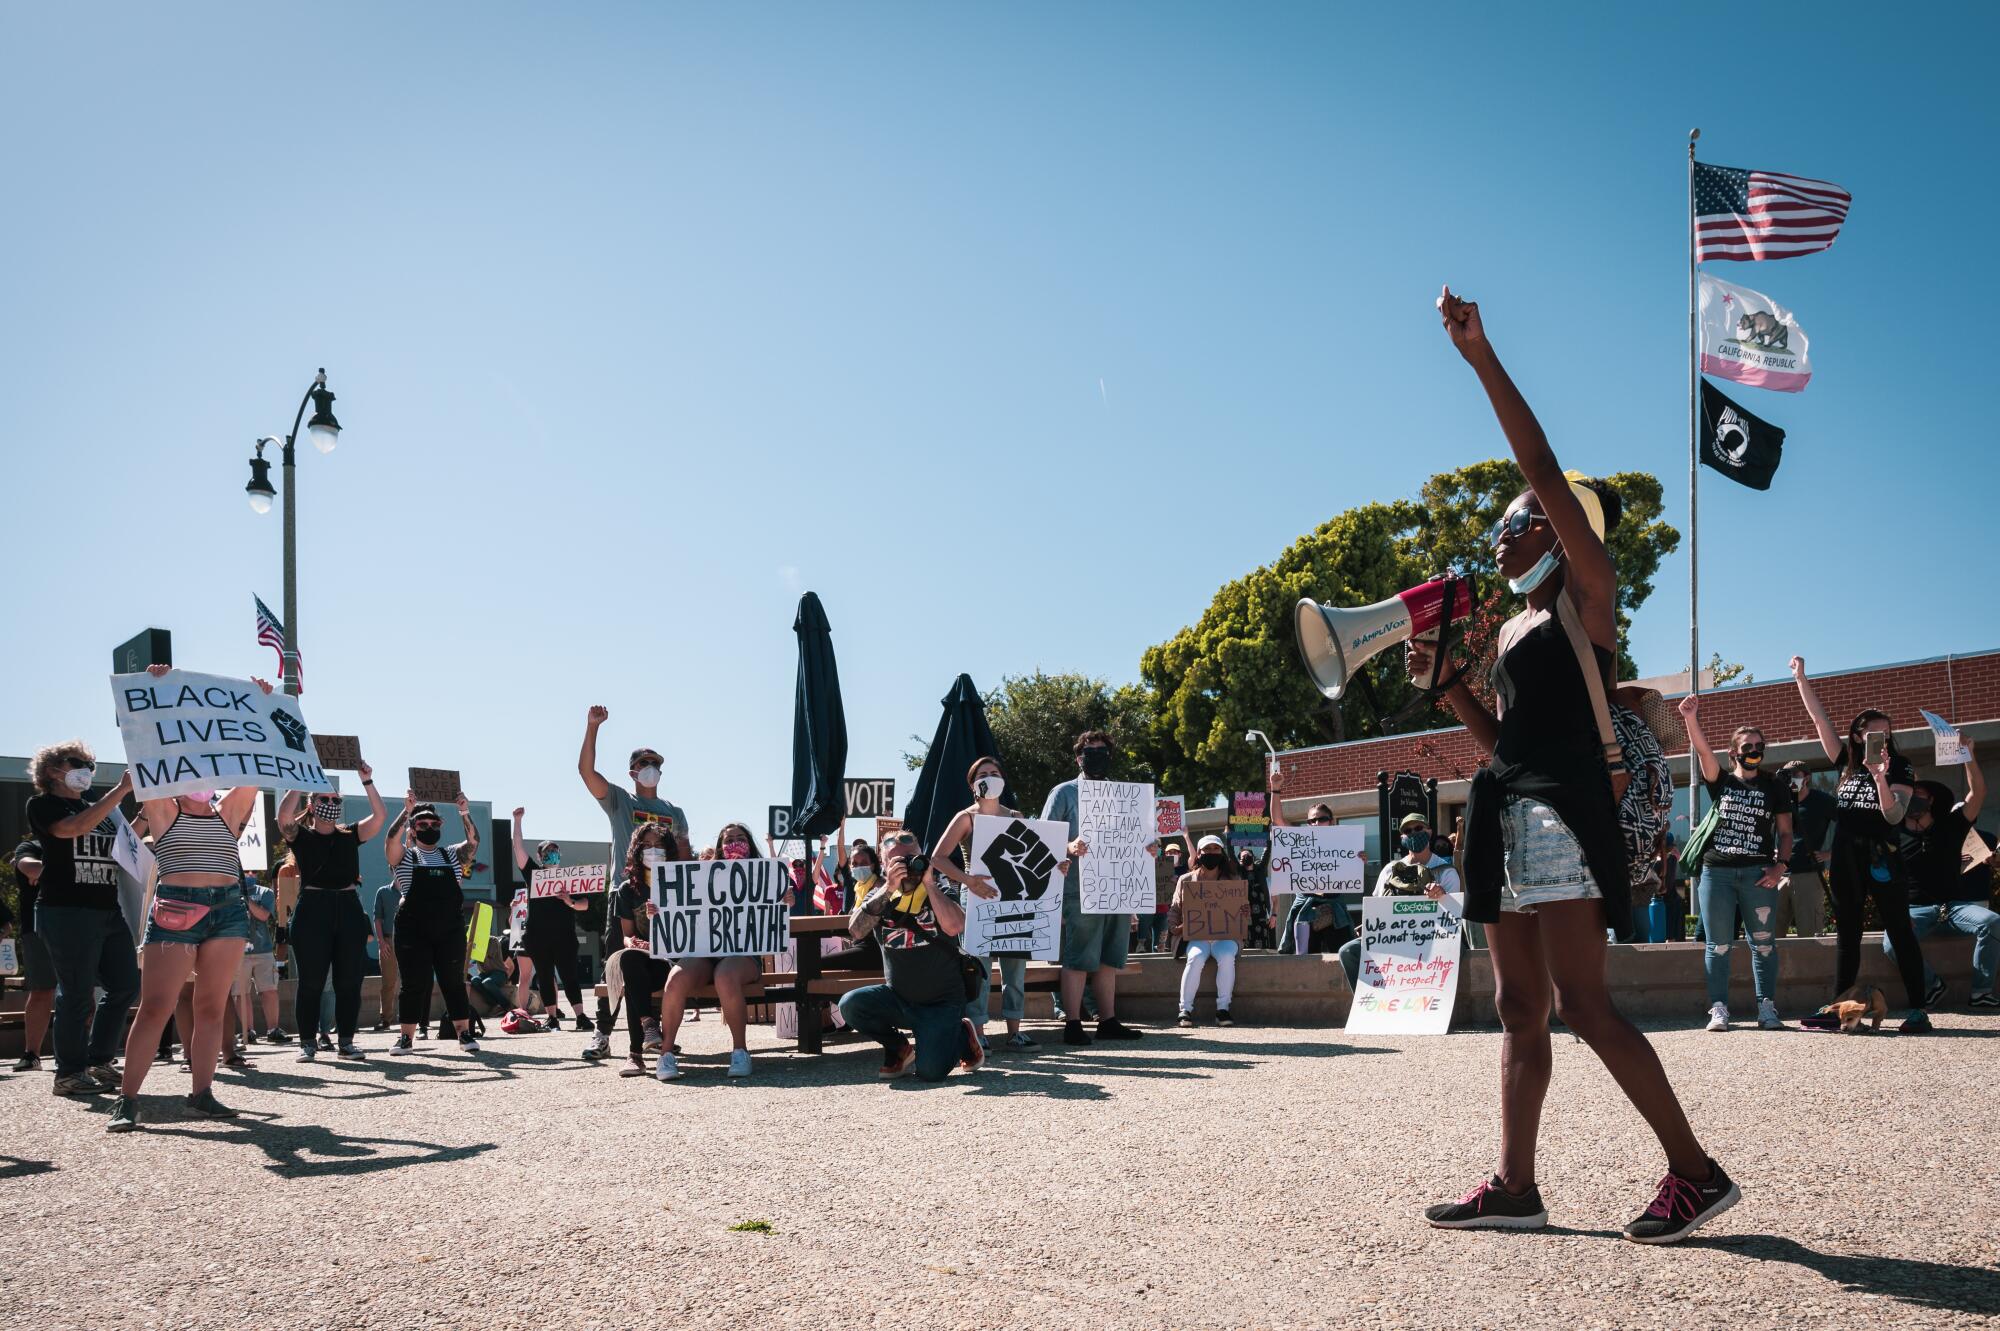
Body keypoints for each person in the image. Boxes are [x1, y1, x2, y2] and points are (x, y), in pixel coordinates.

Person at [1414, 289, 1733, 1243]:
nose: (1503, 533)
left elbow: (1541, 463)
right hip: (1514, 809)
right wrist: (1452, 692)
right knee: (1520, 1005)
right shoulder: (1516, 625)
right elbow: (1509, 748)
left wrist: (1481, 359)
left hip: (1560, 819)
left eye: (1517, 520)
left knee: (1583, 1002)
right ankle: (1516, 1185)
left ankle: (1696, 1169)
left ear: (1560, 528)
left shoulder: (1590, 597)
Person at [107, 674, 278, 1131]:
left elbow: (257, 762)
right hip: (176, 907)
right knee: (156, 1004)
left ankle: (202, 1093)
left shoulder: (230, 814)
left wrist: (257, 705)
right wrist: (155, 691)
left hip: (228, 908)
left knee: (210, 1006)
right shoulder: (165, 809)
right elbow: (144, 748)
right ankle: (128, 1098)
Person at [1791, 657, 1931, 1032]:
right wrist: (1801, 678)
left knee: (1900, 929)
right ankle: (1839, 1006)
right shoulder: (1844, 763)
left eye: (1886, 734)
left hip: (1883, 853)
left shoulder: (1899, 766)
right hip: (1846, 855)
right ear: (1858, 736)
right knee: (1847, 932)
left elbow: (1895, 817)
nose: (1881, 740)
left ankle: (1918, 1009)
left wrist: (1881, 778)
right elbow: (1820, 720)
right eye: (1874, 735)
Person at [28, 742, 144, 1100]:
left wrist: (145, 813)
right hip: (66, 911)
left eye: (91, 764)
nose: (87, 769)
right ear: (52, 770)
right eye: (78, 763)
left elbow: (124, 843)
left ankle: (98, 1060)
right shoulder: (43, 805)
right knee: (77, 994)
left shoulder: (95, 805)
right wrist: (120, 791)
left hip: (107, 911)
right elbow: (71, 830)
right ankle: (69, 1073)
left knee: (125, 985)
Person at [577, 706, 691, 1060]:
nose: (650, 769)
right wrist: (592, 727)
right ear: (633, 772)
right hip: (625, 894)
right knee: (618, 963)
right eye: (643, 764)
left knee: (658, 964)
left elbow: (685, 858)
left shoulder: (675, 811)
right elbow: (585, 771)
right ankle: (603, 1033)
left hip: (667, 899)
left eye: (654, 763)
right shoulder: (620, 801)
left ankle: (654, 1033)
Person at [1678, 699, 1793, 1032]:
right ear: (1734, 753)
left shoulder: (1775, 786)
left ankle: (1767, 1008)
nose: (1753, 751)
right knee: (1718, 944)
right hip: (1717, 874)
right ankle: (1718, 1009)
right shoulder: (1722, 781)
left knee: (1764, 943)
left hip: (1759, 876)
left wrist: (1780, 867)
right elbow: (1703, 754)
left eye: (1758, 746)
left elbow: (1786, 832)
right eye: (1747, 747)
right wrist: (1691, 718)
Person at [838, 830, 985, 1082]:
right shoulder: (879, 894)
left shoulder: (939, 886)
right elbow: (856, 930)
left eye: (911, 858)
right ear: (883, 865)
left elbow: (954, 926)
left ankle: (960, 1033)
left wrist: (928, 883)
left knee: (930, 1072)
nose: (907, 866)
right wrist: (888, 888)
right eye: (897, 862)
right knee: (851, 1004)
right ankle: (898, 1047)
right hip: (900, 999)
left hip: (942, 1001)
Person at [1042, 730, 1151, 1046]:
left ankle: (1108, 1021)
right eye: (1091, 752)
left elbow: (1136, 838)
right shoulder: (1063, 793)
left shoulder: (1123, 795)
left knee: (1109, 958)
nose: (1097, 756)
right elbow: (1043, 838)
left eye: (1103, 751)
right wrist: (1068, 845)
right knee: (1077, 957)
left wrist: (1149, 849)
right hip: (1079, 889)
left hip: (1117, 887)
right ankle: (1073, 1023)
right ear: (1079, 757)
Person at [277, 766, 386, 1060]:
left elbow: (379, 817)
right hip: (312, 910)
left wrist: (367, 781)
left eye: (336, 800)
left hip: (349, 909)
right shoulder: (301, 837)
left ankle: (346, 1042)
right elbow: (284, 817)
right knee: (311, 981)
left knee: (349, 980)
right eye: (324, 799)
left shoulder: (351, 834)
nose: (331, 805)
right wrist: (299, 783)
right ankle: (308, 1043)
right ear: (312, 805)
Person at [928, 757, 1036, 1051]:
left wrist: (1057, 868)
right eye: (983, 774)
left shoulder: (1016, 815)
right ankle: (978, 1033)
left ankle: (1016, 1032)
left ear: (1003, 778)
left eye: (994, 772)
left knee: (1015, 967)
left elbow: (1031, 859)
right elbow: (937, 858)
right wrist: (968, 880)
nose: (989, 776)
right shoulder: (966, 817)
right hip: (977, 899)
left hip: (1014, 898)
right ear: (973, 784)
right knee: (979, 968)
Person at [652, 823, 772, 1081]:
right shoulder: (702, 876)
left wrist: (784, 901)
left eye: (741, 838)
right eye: (729, 840)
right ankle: (666, 1053)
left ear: (750, 844)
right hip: (705, 952)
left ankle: (740, 1051)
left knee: (725, 976)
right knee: (675, 979)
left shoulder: (765, 876)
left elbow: (771, 914)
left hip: (742, 954)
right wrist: (661, 909)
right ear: (720, 847)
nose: (735, 843)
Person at [1889, 743, 1995, 1007]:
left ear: (1932, 800)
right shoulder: (1894, 832)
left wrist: (1968, 754)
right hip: (1915, 911)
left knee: (1992, 922)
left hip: (1955, 907)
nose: (1914, 799)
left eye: (1920, 794)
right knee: (1892, 943)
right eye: (1910, 794)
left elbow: (1978, 793)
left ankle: (1981, 992)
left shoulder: (1952, 824)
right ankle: (1933, 985)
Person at [383, 792, 483, 1056]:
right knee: (413, 983)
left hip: (448, 928)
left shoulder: (451, 855)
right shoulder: (404, 857)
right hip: (412, 929)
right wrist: (406, 811)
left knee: (453, 981)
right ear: (413, 829)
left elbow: (474, 842)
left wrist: (464, 811)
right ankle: (406, 1038)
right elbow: (390, 840)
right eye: (423, 824)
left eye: (434, 824)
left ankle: (464, 1033)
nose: (429, 828)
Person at [1338, 813, 1463, 987]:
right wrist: (1369, 927)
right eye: (1408, 831)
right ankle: (1372, 1003)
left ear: (1429, 831)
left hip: (1431, 941)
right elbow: (1377, 907)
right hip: (1391, 940)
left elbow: (1453, 917)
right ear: (1402, 838)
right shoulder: (1389, 870)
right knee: (1348, 951)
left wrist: (1441, 896)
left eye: (1418, 828)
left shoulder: (1446, 871)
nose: (1413, 833)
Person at [510, 809, 592, 1030]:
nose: (551, 855)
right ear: (539, 856)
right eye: (547, 852)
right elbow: (518, 847)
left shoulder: (570, 879)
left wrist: (569, 901)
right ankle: (552, 1018)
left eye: (554, 851)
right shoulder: (533, 873)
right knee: (545, 976)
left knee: (570, 976)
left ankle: (581, 1017)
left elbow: (585, 904)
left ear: (560, 854)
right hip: (538, 937)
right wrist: (517, 821)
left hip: (564, 936)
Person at [604, 821, 674, 1077]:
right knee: (630, 961)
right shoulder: (627, 890)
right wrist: (633, 943)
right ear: (636, 850)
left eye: (659, 845)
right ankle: (649, 1026)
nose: (653, 850)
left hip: (674, 962)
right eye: (646, 845)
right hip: (644, 961)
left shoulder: (681, 882)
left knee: (634, 982)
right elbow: (627, 936)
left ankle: (635, 1053)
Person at [1169, 835, 1250, 1025]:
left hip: (1226, 937)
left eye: (1216, 849)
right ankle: (1185, 1010)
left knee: (1227, 957)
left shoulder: (1233, 881)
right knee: (1195, 958)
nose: (1211, 853)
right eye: (1207, 849)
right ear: (1198, 853)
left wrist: (1244, 911)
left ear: (1221, 853)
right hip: (1197, 937)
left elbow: (1243, 913)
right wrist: (1175, 928)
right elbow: (1174, 908)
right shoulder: (1186, 880)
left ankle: (1223, 1010)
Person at [1274, 792, 1353, 955]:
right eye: (1311, 820)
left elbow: (1351, 869)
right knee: (1304, 960)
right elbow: (1278, 820)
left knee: (1343, 957)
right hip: (1305, 911)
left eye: (1321, 819)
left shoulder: (1343, 843)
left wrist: (1359, 858)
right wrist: (1275, 789)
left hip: (1334, 911)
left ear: (1330, 821)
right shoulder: (1300, 841)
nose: (1316, 823)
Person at [6, 838, 57, 1071]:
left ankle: (83, 1051)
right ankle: (31, 1053)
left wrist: (46, 873)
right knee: (40, 990)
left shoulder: (79, 845)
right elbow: (30, 866)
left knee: (81, 990)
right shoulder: (29, 847)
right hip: (36, 929)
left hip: (79, 925)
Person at [1775, 761, 1833, 938]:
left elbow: (1850, 829)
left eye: (1795, 775)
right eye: (1786, 775)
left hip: (1808, 875)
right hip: (1778, 875)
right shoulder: (1780, 802)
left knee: (1810, 936)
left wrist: (1829, 853)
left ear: (1807, 778)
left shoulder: (1822, 801)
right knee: (1771, 938)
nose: (1790, 779)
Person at [234, 873, 282, 1044]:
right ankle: (248, 1031)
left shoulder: (265, 892)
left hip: (263, 950)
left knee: (269, 990)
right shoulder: (229, 892)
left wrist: (246, 899)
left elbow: (263, 915)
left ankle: (273, 1029)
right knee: (241, 993)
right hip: (238, 951)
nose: (248, 874)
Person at [1139, 841, 1183, 954]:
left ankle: (1160, 966)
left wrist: (1174, 881)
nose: (1155, 849)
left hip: (1163, 909)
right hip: (1146, 907)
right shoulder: (1141, 863)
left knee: (1160, 944)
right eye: (1152, 846)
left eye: (1157, 846)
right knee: (1142, 942)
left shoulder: (1166, 864)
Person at [371, 881, 400, 1031]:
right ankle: (386, 1019)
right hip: (388, 941)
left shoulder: (413, 889)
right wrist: (381, 942)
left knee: (413, 981)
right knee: (388, 982)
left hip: (411, 940)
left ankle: (413, 1018)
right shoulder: (383, 892)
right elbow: (377, 918)